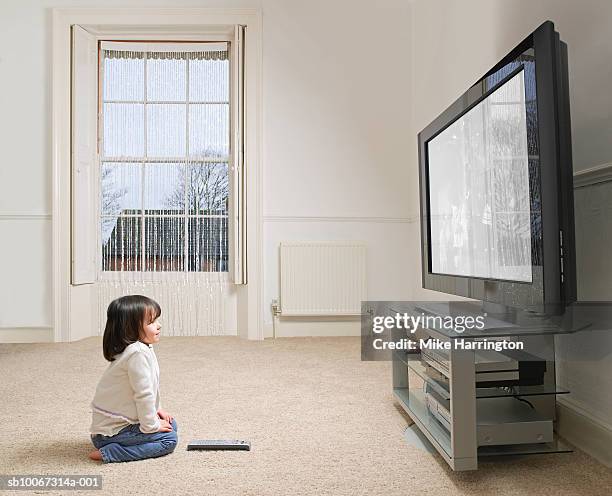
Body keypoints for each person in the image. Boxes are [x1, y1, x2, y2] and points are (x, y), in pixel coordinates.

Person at [88, 295, 178, 463]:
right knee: (169, 440)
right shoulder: (136, 354)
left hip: (118, 426)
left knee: (171, 424)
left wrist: (158, 409)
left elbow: (150, 387)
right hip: (110, 433)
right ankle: (112, 452)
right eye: (151, 322)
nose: (158, 326)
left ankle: (123, 443)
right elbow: (143, 394)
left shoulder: (142, 348)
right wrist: (151, 426)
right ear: (130, 328)